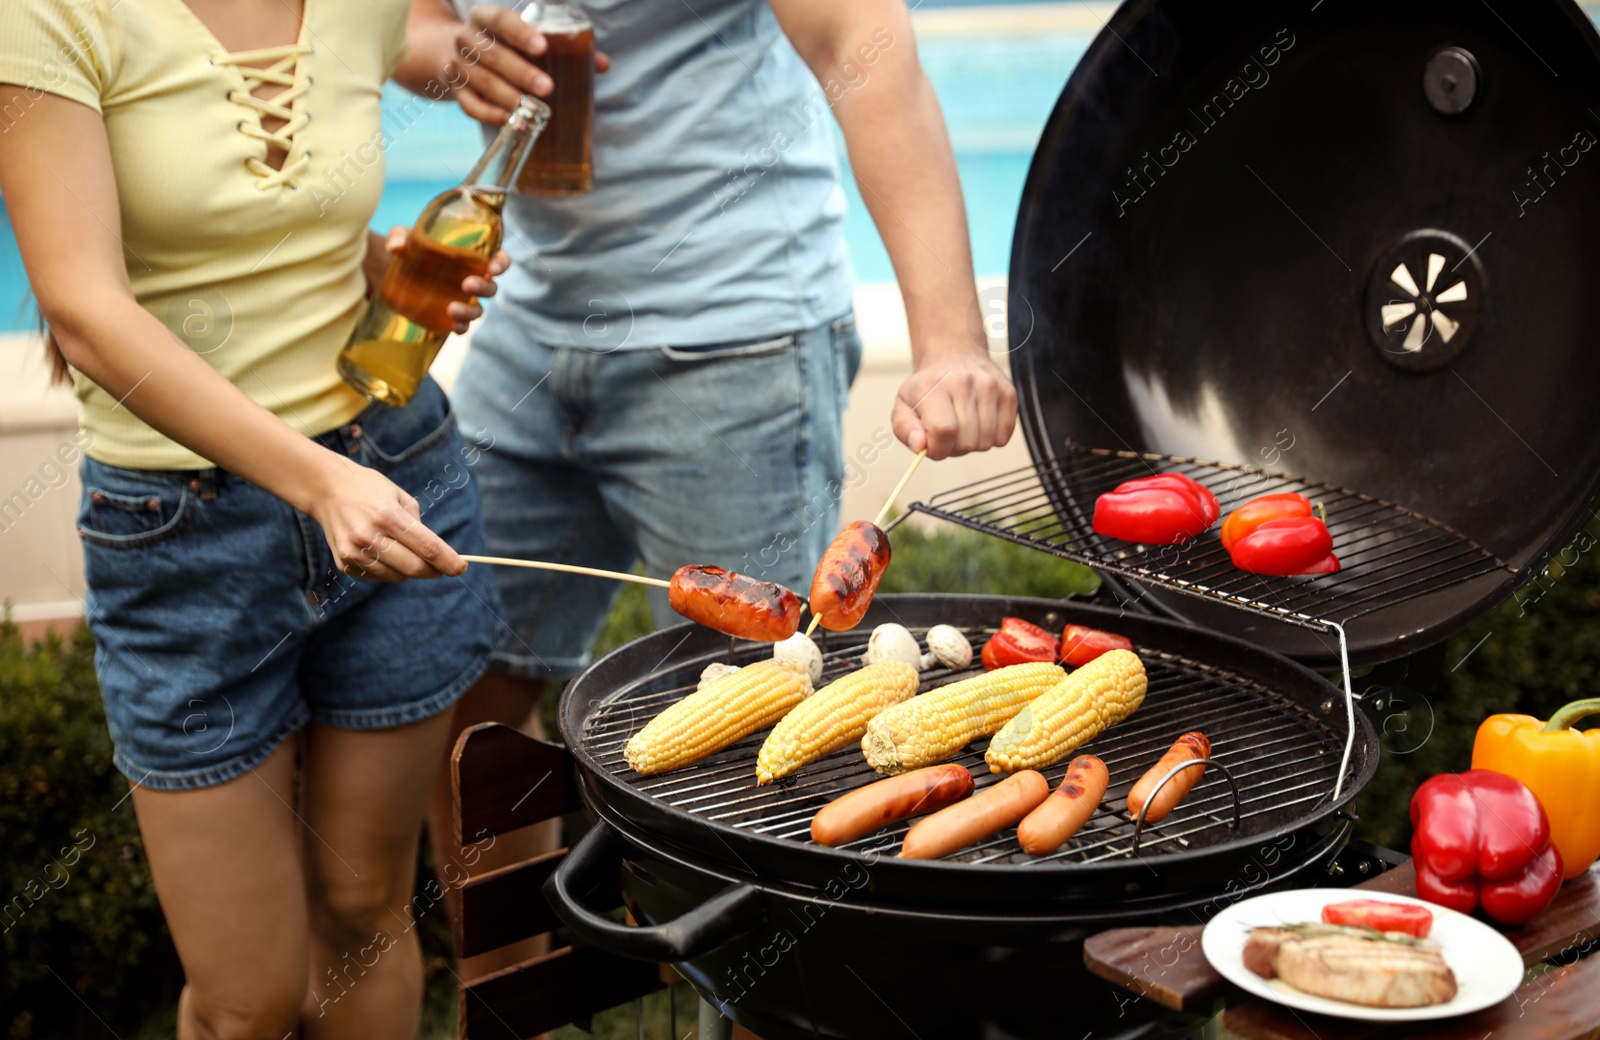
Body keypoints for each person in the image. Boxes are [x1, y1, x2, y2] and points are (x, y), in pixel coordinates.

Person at [396, 0, 1018, 972]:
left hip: (735, 342)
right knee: (461, 701)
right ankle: (509, 996)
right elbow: (413, 25)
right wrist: (453, 56)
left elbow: (862, 40)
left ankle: (775, 1002)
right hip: (523, 331)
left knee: (770, 724)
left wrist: (948, 342)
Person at [0, 0, 510, 1034]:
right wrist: (315, 483)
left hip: (394, 462)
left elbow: (276, 228)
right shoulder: (47, 16)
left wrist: (381, 266)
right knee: (247, 998)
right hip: (180, 527)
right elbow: (86, 310)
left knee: (366, 908)